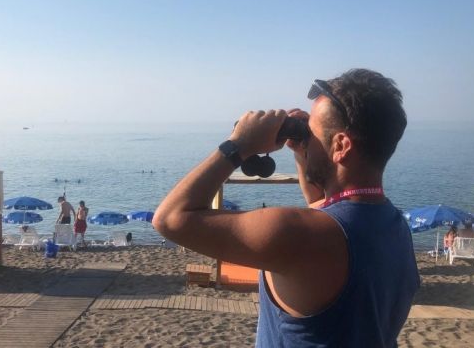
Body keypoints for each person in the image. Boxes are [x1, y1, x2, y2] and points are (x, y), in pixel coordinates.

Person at [154, 69, 420, 347]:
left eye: (310, 133)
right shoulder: (394, 226)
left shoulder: (296, 235)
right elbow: (323, 208)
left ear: (341, 145)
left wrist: (238, 145)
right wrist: (303, 152)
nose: (306, 139)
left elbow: (170, 218)